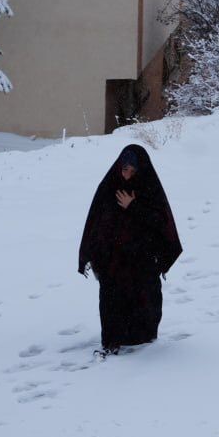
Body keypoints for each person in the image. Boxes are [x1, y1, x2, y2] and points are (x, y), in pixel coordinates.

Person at [78, 145, 182, 355]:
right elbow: (94, 221)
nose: (127, 176)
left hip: (142, 257)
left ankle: (142, 341)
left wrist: (133, 207)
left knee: (144, 299)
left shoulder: (150, 188)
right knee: (112, 299)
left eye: (133, 172)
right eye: (125, 170)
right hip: (112, 258)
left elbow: (161, 223)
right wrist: (91, 252)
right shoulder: (109, 186)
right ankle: (112, 341)